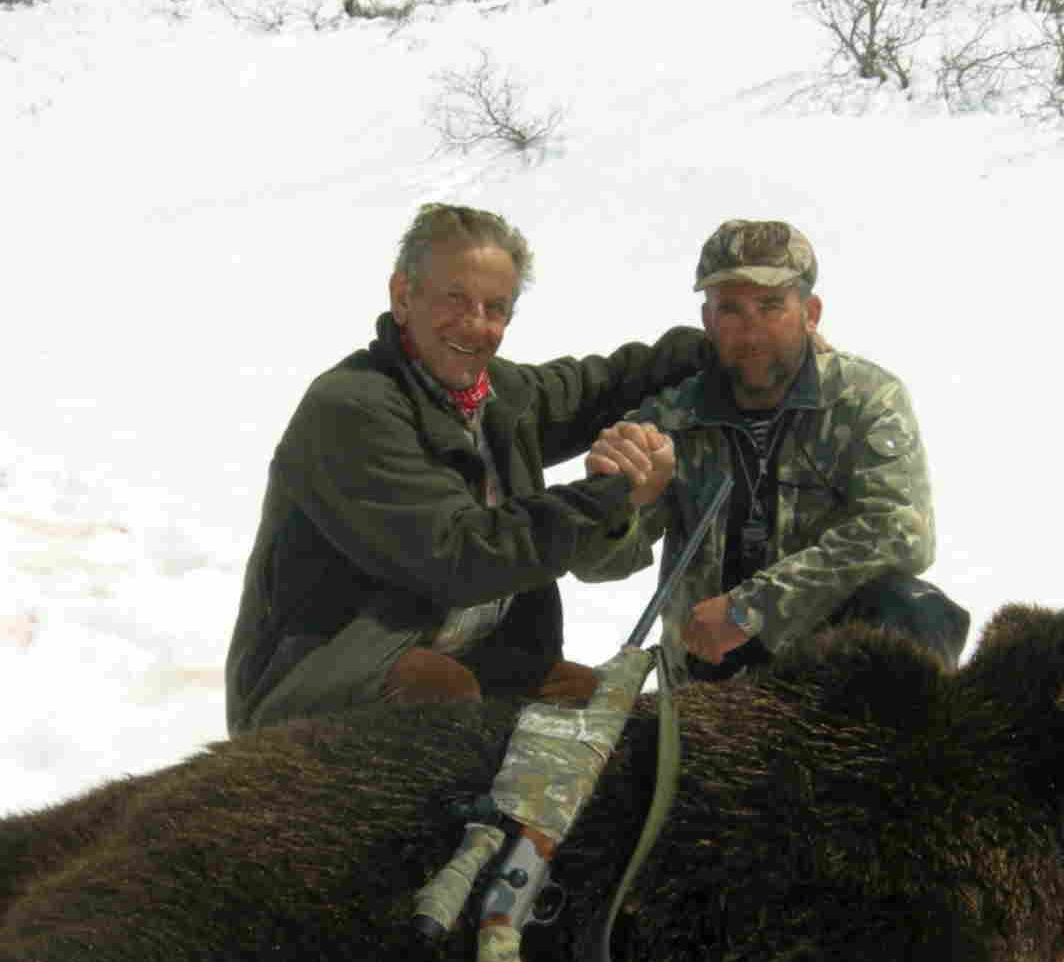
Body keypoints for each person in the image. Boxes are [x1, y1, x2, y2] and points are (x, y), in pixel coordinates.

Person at [224, 203, 700, 734]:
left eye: (495, 308)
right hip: (321, 675)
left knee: (587, 704)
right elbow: (461, 556)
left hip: (467, 657)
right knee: (441, 694)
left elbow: (604, 383)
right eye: (455, 299)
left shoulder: (499, 395)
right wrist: (610, 496)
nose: (475, 325)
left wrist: (715, 348)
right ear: (404, 297)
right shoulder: (352, 408)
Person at [578, 219, 969, 678]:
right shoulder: (667, 421)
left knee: (914, 608)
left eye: (771, 306)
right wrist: (618, 507)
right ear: (707, 321)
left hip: (832, 662)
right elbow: (594, 568)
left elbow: (902, 534)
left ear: (811, 312)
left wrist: (753, 610)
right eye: (731, 310)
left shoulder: (866, 399)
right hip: (707, 670)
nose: (752, 331)